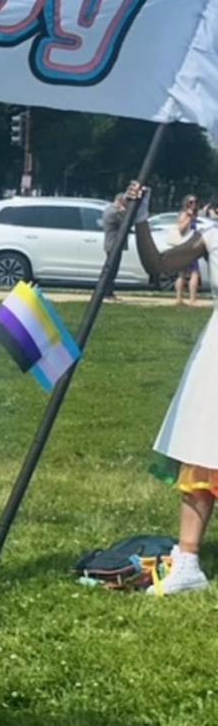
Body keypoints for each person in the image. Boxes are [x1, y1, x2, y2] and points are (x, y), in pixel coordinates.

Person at [130, 182, 217, 594]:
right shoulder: (213, 237)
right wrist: (141, 218)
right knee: (206, 450)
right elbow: (159, 266)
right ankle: (188, 559)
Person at [172, 194, 202, 306]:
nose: (194, 204)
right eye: (191, 202)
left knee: (186, 273)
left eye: (195, 202)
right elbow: (181, 230)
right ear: (186, 203)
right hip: (186, 245)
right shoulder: (185, 214)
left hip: (191, 245)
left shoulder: (194, 215)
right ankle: (187, 299)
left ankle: (183, 298)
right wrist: (189, 218)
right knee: (191, 273)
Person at [101, 192, 128, 300]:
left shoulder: (108, 210)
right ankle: (108, 293)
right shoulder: (114, 212)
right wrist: (123, 212)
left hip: (111, 244)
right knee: (111, 270)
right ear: (121, 201)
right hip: (114, 244)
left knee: (110, 269)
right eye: (126, 202)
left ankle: (107, 292)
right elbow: (126, 223)